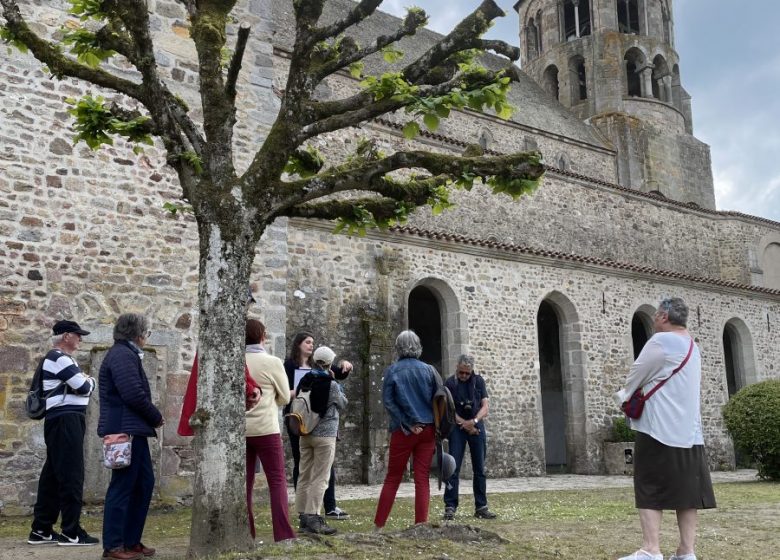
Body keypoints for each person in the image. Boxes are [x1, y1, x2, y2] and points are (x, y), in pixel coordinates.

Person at [613, 298, 716, 560]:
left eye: (658, 314)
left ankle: (651, 549)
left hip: (658, 428)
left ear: (662, 316)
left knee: (649, 486)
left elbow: (636, 374)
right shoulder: (693, 346)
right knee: (687, 492)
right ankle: (686, 551)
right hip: (690, 432)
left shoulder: (660, 342)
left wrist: (624, 396)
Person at [27, 320, 99, 547]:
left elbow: (79, 384)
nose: (81, 339)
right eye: (78, 335)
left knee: (52, 476)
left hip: (60, 420)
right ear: (66, 336)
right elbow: (85, 387)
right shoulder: (59, 358)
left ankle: (41, 529)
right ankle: (71, 532)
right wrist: (90, 379)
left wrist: (83, 379)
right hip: (67, 420)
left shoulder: (60, 359)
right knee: (71, 474)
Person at [98, 313, 164, 560]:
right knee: (123, 487)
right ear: (138, 335)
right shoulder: (122, 355)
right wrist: (156, 416)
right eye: (147, 333)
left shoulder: (125, 354)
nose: (147, 338)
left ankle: (130, 540)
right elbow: (133, 394)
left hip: (133, 430)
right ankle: (114, 546)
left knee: (143, 484)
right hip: (125, 431)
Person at [283, 331, 352, 521]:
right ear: (298, 344)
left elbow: (339, 372)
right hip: (301, 420)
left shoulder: (314, 370)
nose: (310, 345)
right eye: (307, 342)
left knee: (315, 469)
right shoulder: (290, 366)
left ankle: (321, 508)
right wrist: (299, 394)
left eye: (313, 343)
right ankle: (311, 514)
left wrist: (345, 365)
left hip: (312, 425)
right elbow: (341, 400)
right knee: (308, 468)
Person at [374, 330, 437, 530]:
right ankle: (420, 525)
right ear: (417, 345)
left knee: (393, 478)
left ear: (398, 347)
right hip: (427, 430)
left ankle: (379, 526)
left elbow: (389, 402)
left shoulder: (393, 371)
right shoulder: (429, 370)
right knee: (422, 479)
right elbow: (439, 400)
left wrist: (407, 423)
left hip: (404, 430)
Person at [244, 319, 296, 542]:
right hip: (266, 427)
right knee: (276, 480)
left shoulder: (236, 359)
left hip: (241, 430)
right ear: (263, 336)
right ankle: (283, 534)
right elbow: (284, 397)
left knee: (244, 484)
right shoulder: (272, 362)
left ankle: (247, 532)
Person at [294, 346, 347, 535]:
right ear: (329, 363)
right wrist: (338, 382)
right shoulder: (331, 384)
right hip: (325, 435)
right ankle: (314, 516)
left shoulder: (305, 380)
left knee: (304, 475)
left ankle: (303, 516)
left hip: (305, 432)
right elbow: (342, 403)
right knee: (321, 477)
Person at [442, 354, 497, 521]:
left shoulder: (479, 382)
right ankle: (450, 506)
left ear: (471, 371)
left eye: (467, 373)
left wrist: (473, 422)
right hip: (457, 426)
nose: (464, 376)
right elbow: (448, 410)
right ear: (456, 369)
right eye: (461, 373)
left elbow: (485, 407)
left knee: (479, 468)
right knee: (453, 467)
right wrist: (464, 424)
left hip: (476, 424)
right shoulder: (450, 384)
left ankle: (481, 506)